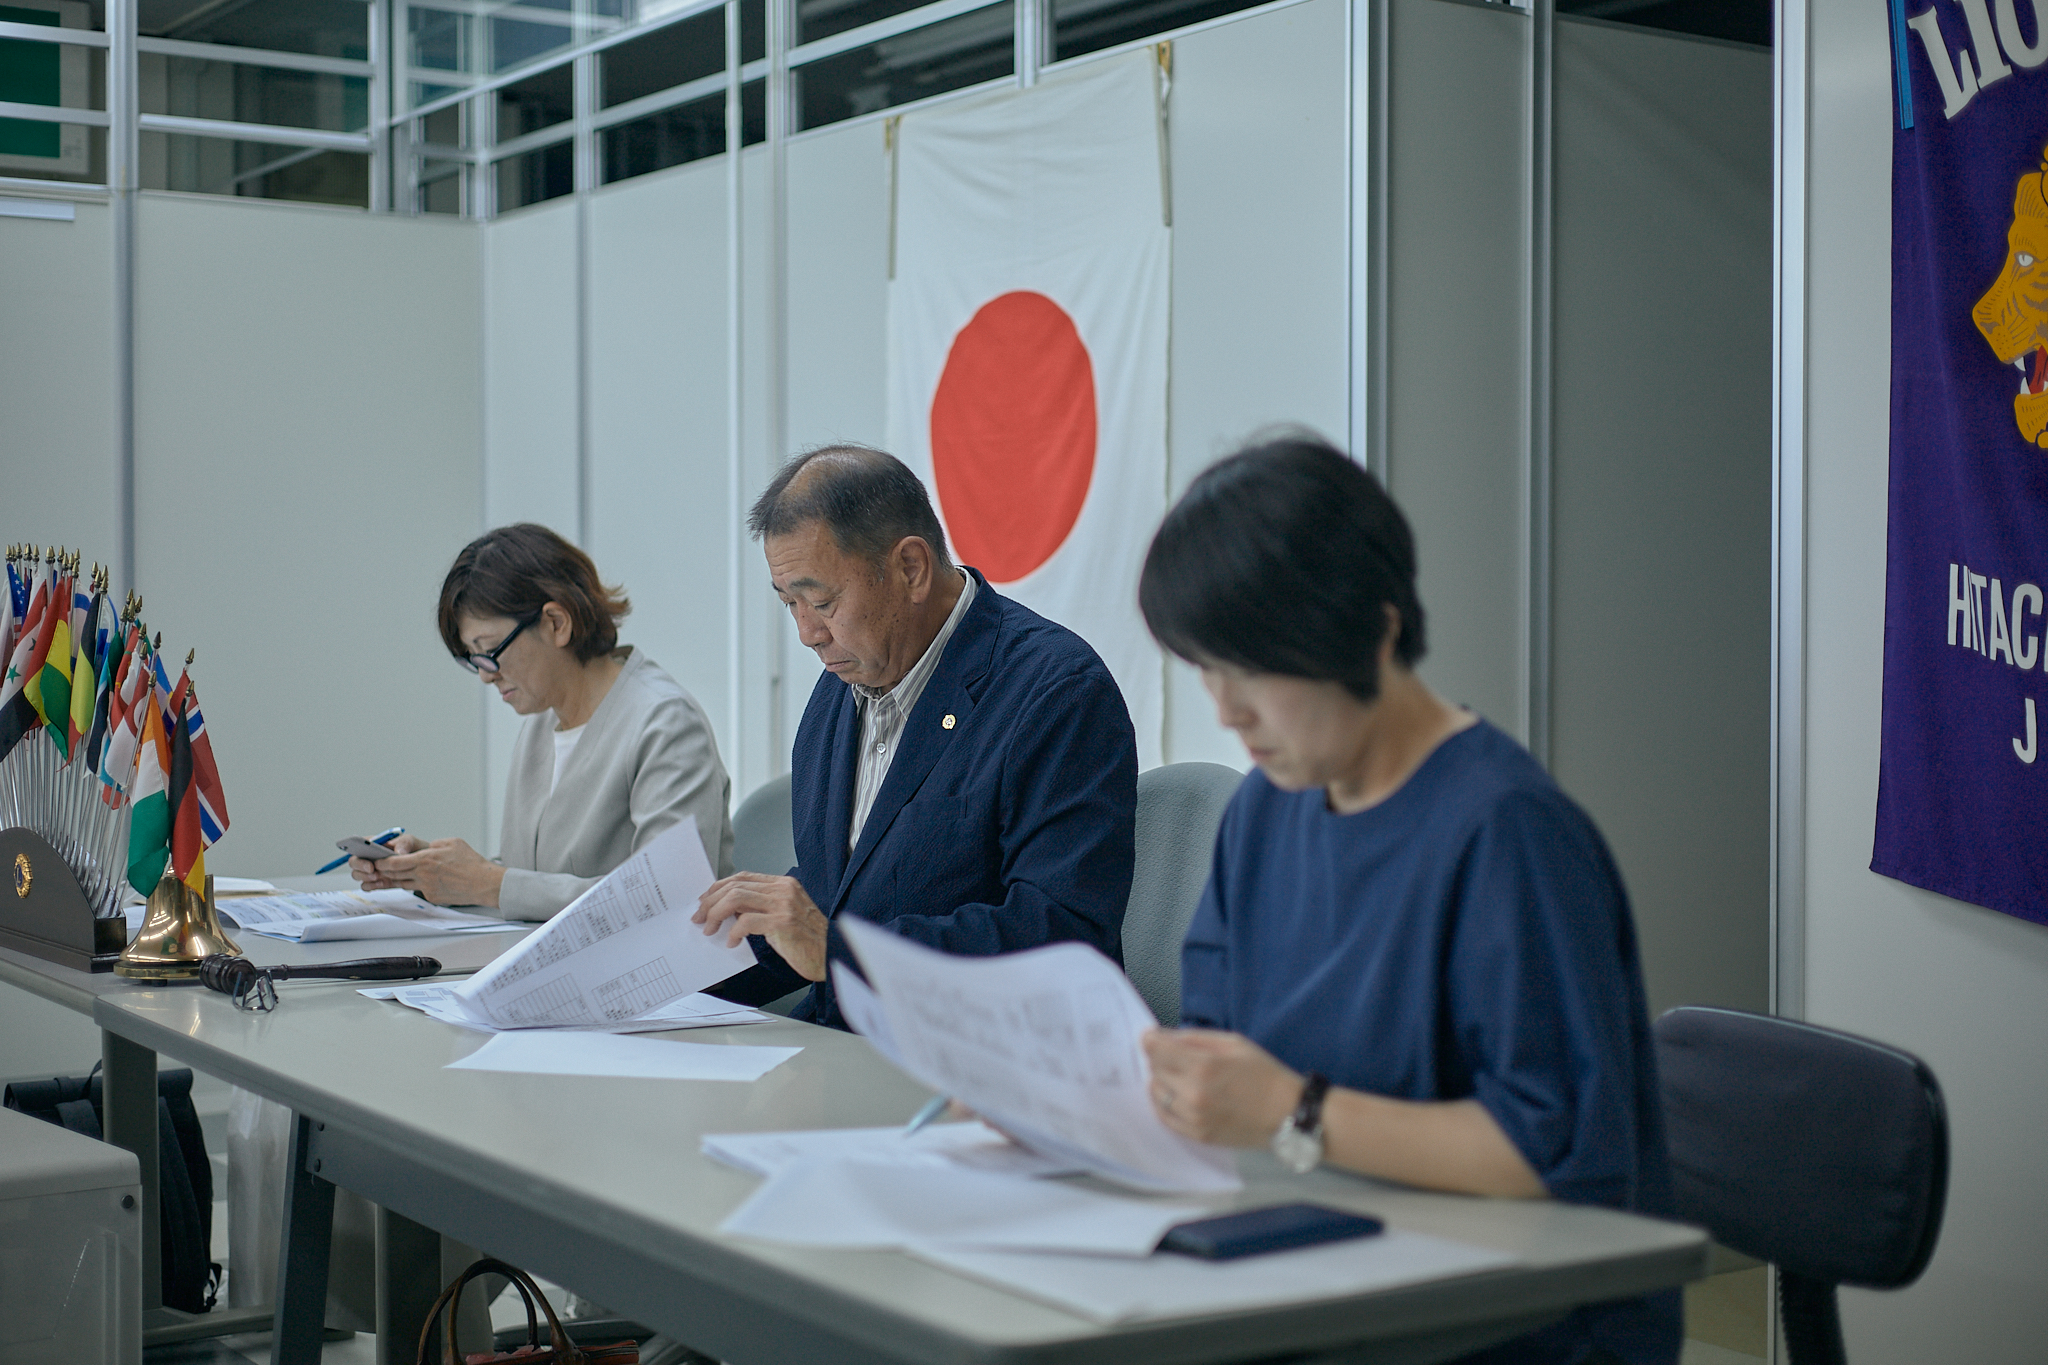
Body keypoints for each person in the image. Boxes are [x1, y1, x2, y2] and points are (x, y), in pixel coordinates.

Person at [1134, 435, 1678, 1365]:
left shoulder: (1507, 833)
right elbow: (1224, 1060)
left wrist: (1290, 1111)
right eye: (1206, 671)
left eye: (1253, 668)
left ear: (1374, 630)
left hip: (1510, 1320)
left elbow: (1551, 1157)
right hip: (1317, 1264)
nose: (1227, 710)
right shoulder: (1265, 811)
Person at [696, 445, 1137, 1027]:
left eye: (823, 602)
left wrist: (837, 950)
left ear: (911, 569)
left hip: (976, 1066)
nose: (807, 634)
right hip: (847, 1049)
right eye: (790, 604)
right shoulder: (844, 684)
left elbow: (1058, 933)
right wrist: (668, 973)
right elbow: (844, 893)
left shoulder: (1057, 692)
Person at [352, 522, 734, 918]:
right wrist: (433, 874)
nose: (485, 673)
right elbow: (538, 879)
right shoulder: (542, 722)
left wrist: (488, 882)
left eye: (488, 650)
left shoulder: (665, 721)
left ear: (556, 623)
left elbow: (671, 894)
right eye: (472, 658)